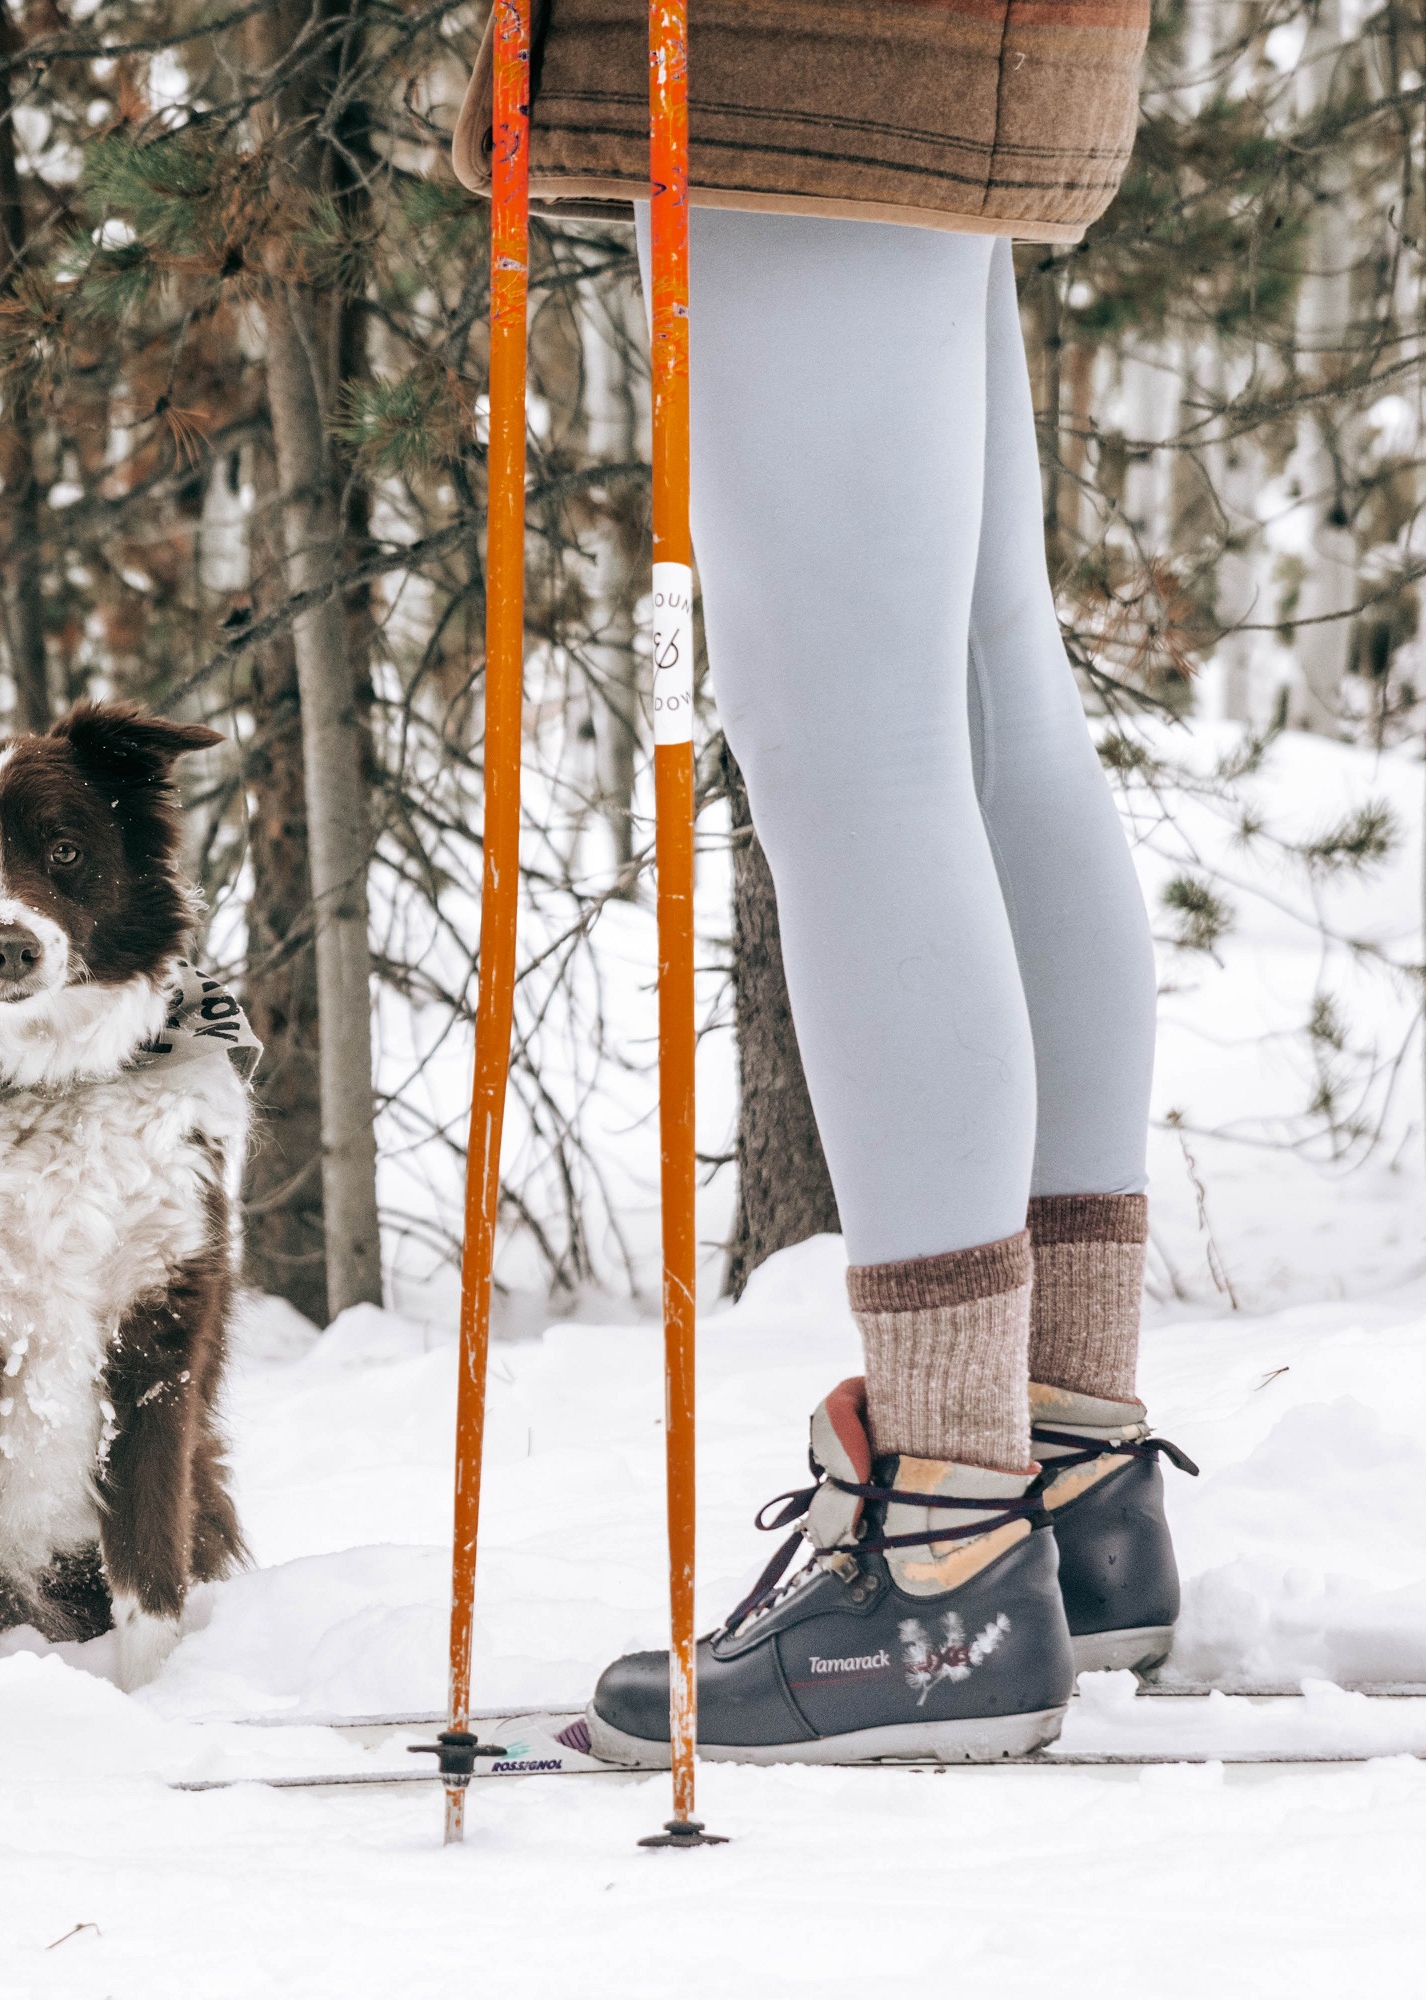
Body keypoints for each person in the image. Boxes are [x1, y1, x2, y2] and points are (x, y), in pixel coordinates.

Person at [455, 0, 1191, 1762]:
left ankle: (943, 1546)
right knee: (980, 682)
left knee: (854, 735)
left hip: (802, 50)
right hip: (944, 47)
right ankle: (1059, 1465)